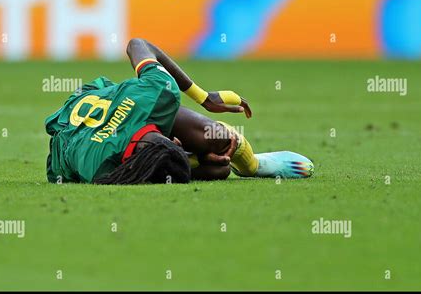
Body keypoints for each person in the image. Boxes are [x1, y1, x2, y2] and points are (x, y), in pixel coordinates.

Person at [45, 38, 313, 185]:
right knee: (217, 171)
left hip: (124, 104)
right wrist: (186, 159)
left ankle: (254, 165)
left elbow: (137, 44)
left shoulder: (157, 92)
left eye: (174, 143)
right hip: (82, 132)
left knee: (219, 138)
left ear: (164, 132)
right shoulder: (102, 170)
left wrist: (204, 97)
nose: (176, 142)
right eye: (177, 145)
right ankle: (201, 161)